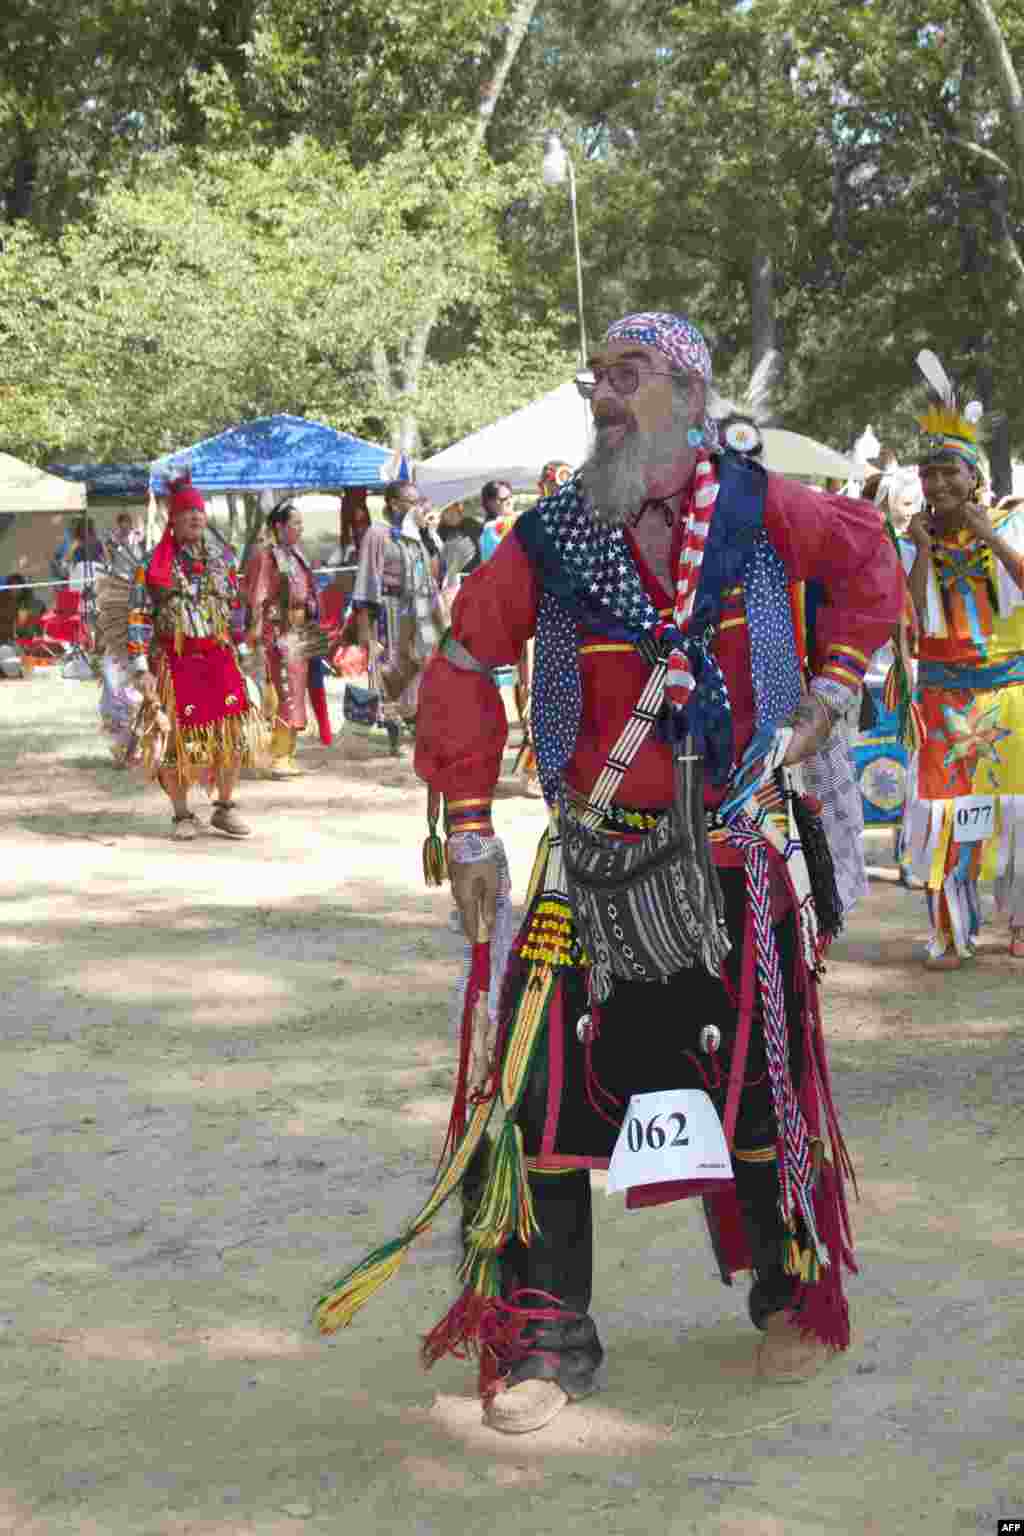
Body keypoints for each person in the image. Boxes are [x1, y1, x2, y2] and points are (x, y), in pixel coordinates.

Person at [316, 311, 903, 1434]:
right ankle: (542, 1336)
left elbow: (869, 557)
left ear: (689, 393)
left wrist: (829, 687)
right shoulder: (551, 535)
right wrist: (474, 822)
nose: (601, 394)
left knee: (761, 1093)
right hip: (590, 862)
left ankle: (791, 1297)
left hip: (732, 856)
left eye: (627, 376)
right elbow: (461, 661)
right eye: (597, 378)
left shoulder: (759, 509)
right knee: (535, 1106)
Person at [899, 354, 1024, 967]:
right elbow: (911, 621)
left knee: (1020, 807)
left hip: (1008, 692)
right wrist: (921, 550)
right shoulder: (913, 542)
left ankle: (1020, 924)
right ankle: (950, 931)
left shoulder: (1014, 523)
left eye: (949, 472)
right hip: (942, 696)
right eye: (928, 475)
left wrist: (992, 536)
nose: (938, 485)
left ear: (972, 478)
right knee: (945, 813)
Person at [96, 471, 266, 838]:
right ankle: (182, 814)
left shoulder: (222, 560)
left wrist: (242, 643)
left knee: (231, 735)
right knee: (174, 739)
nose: (196, 518)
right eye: (188, 512)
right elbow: (138, 617)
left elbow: (235, 608)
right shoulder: (153, 566)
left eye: (200, 512)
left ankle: (224, 806)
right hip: (175, 662)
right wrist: (141, 665)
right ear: (173, 519)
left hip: (219, 657)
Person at [350, 480, 444, 754]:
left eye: (419, 502)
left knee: (421, 670)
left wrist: (429, 536)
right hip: (390, 612)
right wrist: (366, 632)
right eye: (412, 503)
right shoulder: (378, 535)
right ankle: (393, 738)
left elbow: (433, 576)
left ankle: (418, 730)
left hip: (420, 612)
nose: (418, 508)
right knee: (391, 672)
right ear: (394, 504)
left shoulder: (416, 537)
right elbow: (367, 580)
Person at [243, 499, 327, 777]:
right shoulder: (266, 556)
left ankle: (287, 754)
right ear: (279, 526)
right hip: (279, 633)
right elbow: (258, 595)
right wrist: (257, 632)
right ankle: (277, 755)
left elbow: (309, 589)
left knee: (297, 693)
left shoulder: (296, 555)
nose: (300, 529)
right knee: (284, 693)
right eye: (295, 523)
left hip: (299, 632)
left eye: (301, 523)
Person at [479, 480, 515, 562]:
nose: (510, 501)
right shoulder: (490, 529)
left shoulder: (517, 520)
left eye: (511, 496)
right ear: (491, 503)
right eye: (504, 498)